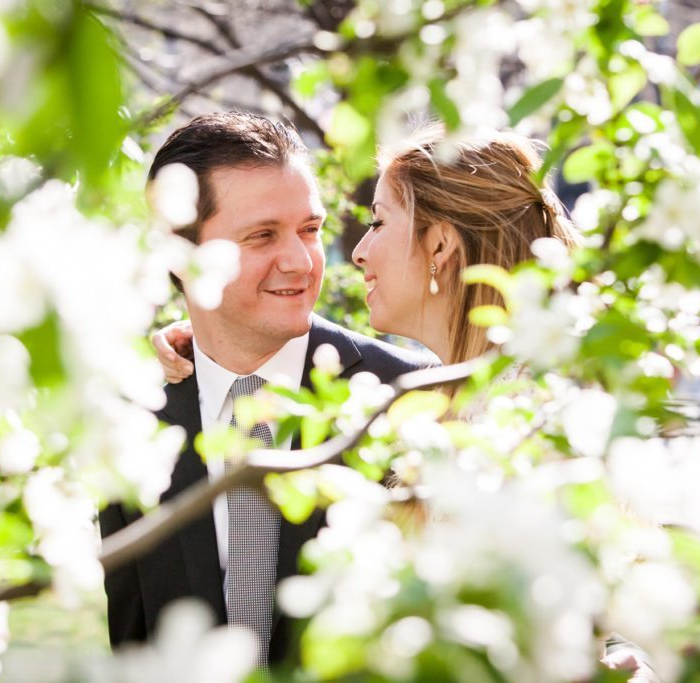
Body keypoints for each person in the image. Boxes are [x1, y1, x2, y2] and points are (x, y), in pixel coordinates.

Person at [152, 122, 659, 681]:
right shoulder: (439, 403)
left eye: (377, 222)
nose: (357, 250)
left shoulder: (521, 420)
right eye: (261, 235)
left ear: (438, 244)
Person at [99, 112, 430, 668]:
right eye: (262, 236)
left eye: (310, 229)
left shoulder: (407, 397)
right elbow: (133, 638)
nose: (301, 262)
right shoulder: (131, 413)